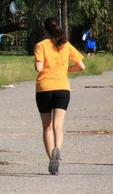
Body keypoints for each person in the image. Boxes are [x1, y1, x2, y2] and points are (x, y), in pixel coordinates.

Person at [34, 17, 85, 175]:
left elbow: (39, 67)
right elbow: (81, 66)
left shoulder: (40, 46)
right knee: (58, 126)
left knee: (47, 127)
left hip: (44, 88)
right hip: (62, 88)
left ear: (45, 30)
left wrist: (40, 64)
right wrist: (66, 70)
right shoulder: (66, 45)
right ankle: (58, 149)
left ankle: (51, 159)